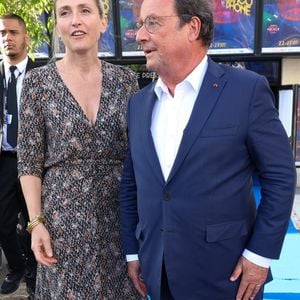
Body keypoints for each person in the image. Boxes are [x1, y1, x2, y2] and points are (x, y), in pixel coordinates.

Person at [119, 0, 297, 299]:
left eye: (151, 23)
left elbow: (280, 177)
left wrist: (260, 256)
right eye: (139, 25)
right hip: (157, 273)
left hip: (227, 276)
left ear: (192, 27)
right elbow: (131, 183)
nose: (139, 35)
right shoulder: (138, 104)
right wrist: (134, 253)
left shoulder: (246, 90)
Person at [18, 0, 141, 299]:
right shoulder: (37, 84)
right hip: (62, 224)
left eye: (85, 10)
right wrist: (36, 224)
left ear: (102, 21)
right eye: (65, 13)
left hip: (119, 219)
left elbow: (138, 156)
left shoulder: (126, 81)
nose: (75, 21)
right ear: (58, 26)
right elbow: (29, 162)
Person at [0, 13, 37, 297]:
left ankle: (36, 276)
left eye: (13, 32)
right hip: (4, 160)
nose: (7, 38)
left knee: (33, 221)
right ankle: (18, 267)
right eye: (2, 33)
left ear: (26, 37)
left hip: (35, 160)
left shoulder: (43, 75)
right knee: (3, 222)